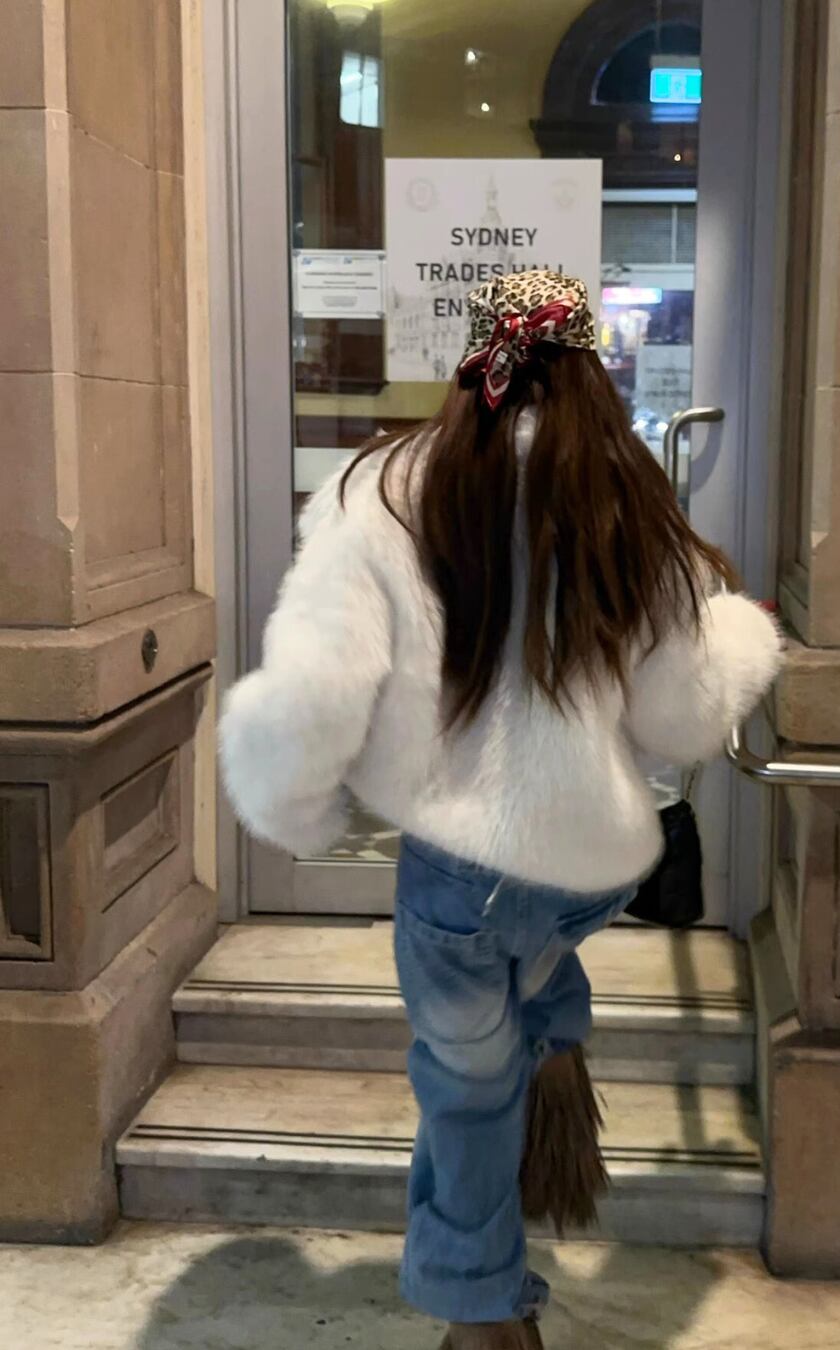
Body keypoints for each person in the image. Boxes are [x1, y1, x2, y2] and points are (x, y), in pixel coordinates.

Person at [219, 270, 782, 1349]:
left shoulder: (382, 491)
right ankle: (555, 1048)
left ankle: (485, 1323)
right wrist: (744, 635)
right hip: (585, 875)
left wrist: (296, 808)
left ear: (472, 359)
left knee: (466, 1088)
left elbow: (309, 697)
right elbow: (683, 717)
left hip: (458, 876)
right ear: (591, 366)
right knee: (529, 963)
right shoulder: (628, 501)